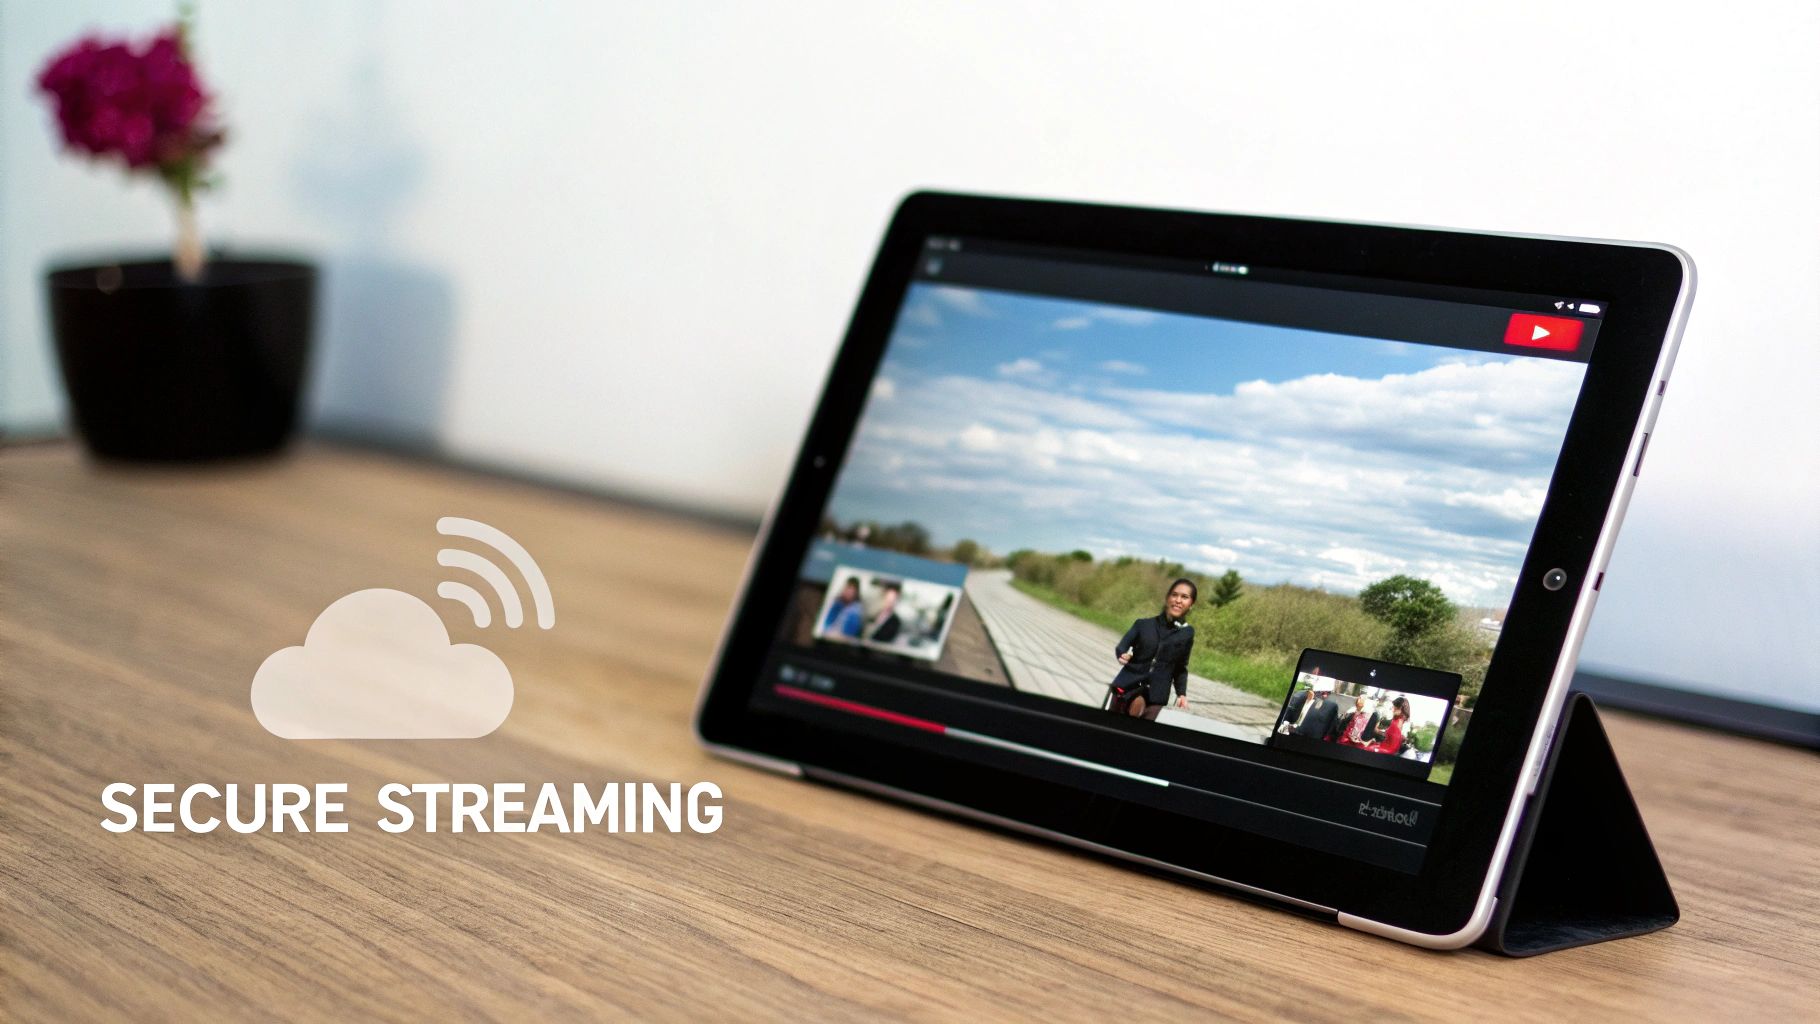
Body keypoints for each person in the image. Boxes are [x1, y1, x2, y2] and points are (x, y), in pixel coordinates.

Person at [1106, 578, 1198, 721]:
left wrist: (1181, 694)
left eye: (1184, 597)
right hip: (1128, 686)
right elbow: (1122, 646)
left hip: (1157, 695)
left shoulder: (1187, 633)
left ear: (1191, 604)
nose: (1178, 600)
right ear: (1167, 598)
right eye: (1174, 595)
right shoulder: (1143, 625)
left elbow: (1180, 667)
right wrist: (1122, 655)